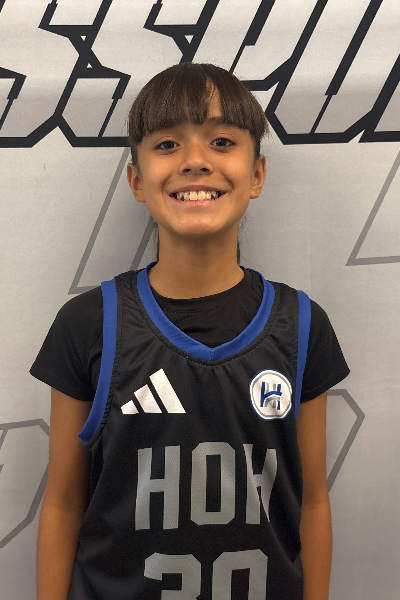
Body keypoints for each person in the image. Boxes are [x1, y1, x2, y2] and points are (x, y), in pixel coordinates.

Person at [31, 62, 349, 600]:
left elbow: (313, 501)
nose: (196, 160)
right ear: (137, 180)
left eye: (222, 141)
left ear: (256, 174)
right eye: (167, 144)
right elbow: (63, 503)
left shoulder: (301, 324)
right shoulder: (89, 324)